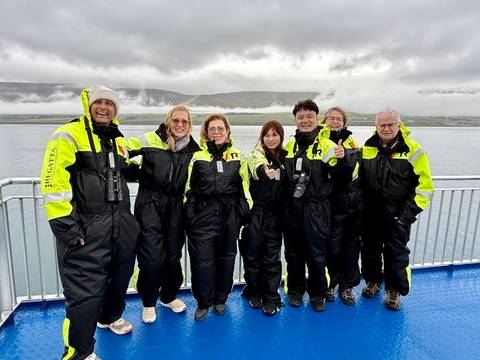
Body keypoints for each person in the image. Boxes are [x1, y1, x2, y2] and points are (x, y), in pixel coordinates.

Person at [40, 85, 139, 360]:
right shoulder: (67, 136)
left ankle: (109, 318)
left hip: (119, 226)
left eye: (110, 103)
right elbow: (53, 184)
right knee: (84, 296)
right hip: (85, 229)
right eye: (99, 102)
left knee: (119, 280)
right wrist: (68, 230)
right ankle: (78, 352)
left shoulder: (116, 139)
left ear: (116, 109)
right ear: (88, 105)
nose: (104, 107)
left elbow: (125, 167)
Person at [127, 105, 199, 323]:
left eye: (184, 122)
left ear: (189, 125)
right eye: (175, 120)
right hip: (150, 202)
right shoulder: (150, 139)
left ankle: (168, 296)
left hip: (177, 205)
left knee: (173, 255)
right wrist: (134, 170)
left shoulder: (193, 150)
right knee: (151, 256)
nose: (179, 125)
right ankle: (148, 302)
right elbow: (121, 150)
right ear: (168, 121)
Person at [360, 109, 433, 310]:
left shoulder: (414, 150)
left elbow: (424, 188)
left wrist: (405, 215)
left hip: (397, 215)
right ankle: (372, 281)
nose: (386, 128)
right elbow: (360, 180)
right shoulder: (368, 147)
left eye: (390, 124)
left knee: (396, 254)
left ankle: (394, 291)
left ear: (399, 125)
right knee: (370, 251)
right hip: (371, 213)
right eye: (382, 125)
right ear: (376, 127)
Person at [184, 114, 251, 321]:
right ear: (205, 133)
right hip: (203, 215)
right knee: (202, 262)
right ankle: (204, 302)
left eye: (220, 128)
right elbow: (188, 188)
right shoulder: (196, 157)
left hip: (229, 215)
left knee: (226, 259)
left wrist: (241, 214)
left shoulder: (238, 156)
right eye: (212, 129)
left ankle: (221, 299)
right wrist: (191, 214)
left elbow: (245, 190)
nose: (216, 132)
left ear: (227, 131)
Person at [283, 99, 347, 312]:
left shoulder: (329, 146)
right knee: (293, 253)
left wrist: (343, 160)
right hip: (293, 207)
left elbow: (341, 179)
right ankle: (295, 291)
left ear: (317, 119)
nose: (305, 120)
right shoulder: (289, 146)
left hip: (317, 208)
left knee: (317, 253)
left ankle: (318, 293)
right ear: (295, 120)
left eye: (309, 116)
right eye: (300, 117)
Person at [240, 120, 287, 316]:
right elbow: (256, 165)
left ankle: (271, 296)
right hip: (255, 214)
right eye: (267, 135)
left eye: (275, 134)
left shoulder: (286, 158)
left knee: (271, 259)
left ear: (281, 137)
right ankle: (253, 291)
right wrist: (263, 171)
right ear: (262, 138)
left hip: (275, 216)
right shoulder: (256, 154)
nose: (271, 138)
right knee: (252, 257)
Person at [321, 106, 363, 306]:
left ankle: (347, 287)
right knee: (331, 248)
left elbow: (356, 169)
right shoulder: (318, 141)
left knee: (351, 248)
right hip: (330, 206)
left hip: (353, 206)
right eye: (331, 118)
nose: (335, 121)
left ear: (344, 121)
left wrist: (344, 156)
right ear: (324, 120)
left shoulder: (351, 142)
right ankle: (330, 284)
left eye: (339, 119)